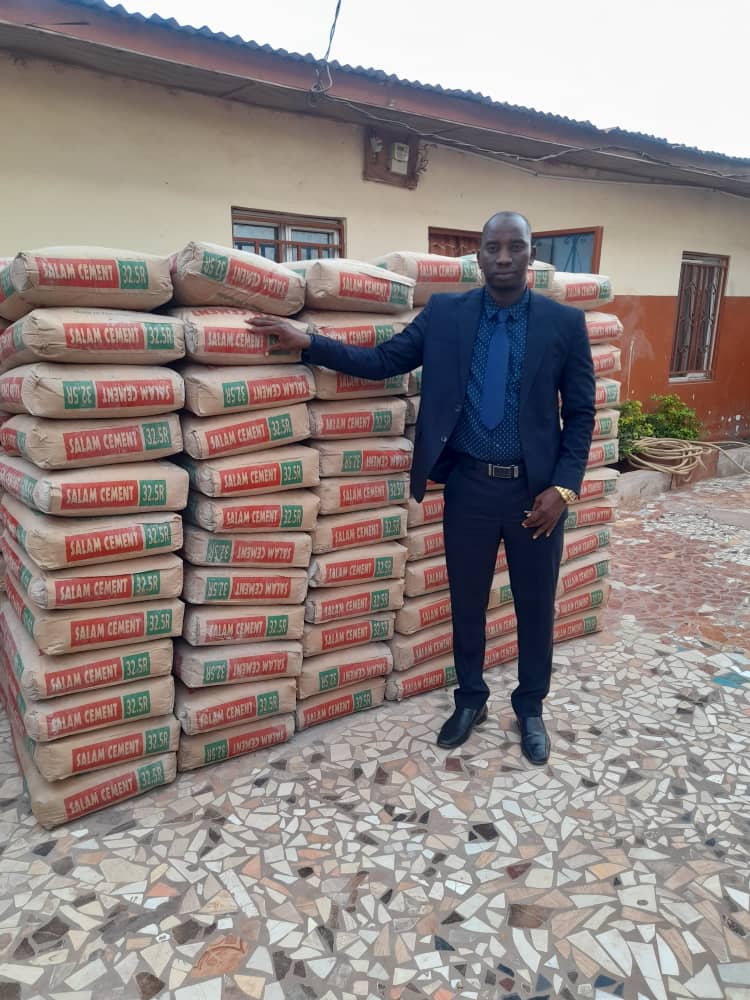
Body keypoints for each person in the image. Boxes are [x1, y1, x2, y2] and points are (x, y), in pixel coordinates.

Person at [248, 212, 595, 764]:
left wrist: (564, 488)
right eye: (493, 247)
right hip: (469, 488)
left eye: (516, 247)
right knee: (467, 603)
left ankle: (530, 708)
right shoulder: (447, 315)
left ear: (531, 255)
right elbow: (384, 360)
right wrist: (307, 341)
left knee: (536, 607)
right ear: (478, 256)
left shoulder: (563, 324)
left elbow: (580, 414)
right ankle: (471, 699)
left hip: (535, 497)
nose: (504, 257)